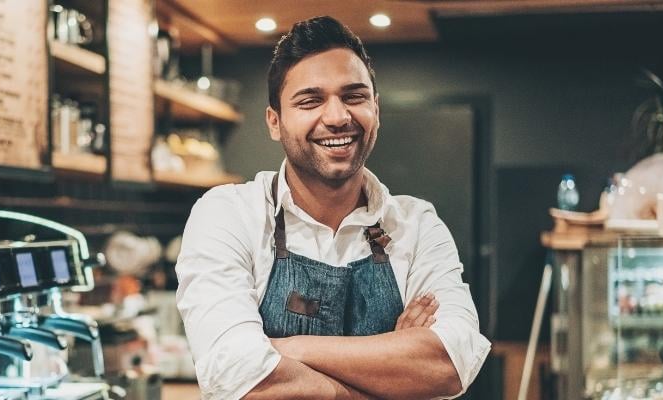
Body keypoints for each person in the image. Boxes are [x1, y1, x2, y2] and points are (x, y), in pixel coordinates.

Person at [175, 16, 490, 399]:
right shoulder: (228, 215)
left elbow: (449, 363)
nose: (338, 117)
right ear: (275, 122)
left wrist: (286, 349)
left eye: (354, 97)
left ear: (376, 108)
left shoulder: (416, 224)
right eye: (310, 101)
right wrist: (389, 371)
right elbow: (238, 374)